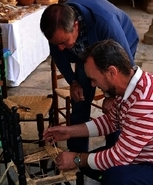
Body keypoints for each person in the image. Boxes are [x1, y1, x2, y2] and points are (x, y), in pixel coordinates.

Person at [43, 39, 153, 185]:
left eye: (94, 78)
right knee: (91, 165)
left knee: (114, 181)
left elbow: (119, 157)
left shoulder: (143, 102)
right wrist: (70, 131)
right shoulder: (130, 87)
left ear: (111, 72)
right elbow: (110, 122)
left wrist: (77, 159)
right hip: (139, 155)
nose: (93, 84)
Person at [40, 0, 139, 153]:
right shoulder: (57, 26)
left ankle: (113, 149)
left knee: (115, 106)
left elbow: (125, 70)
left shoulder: (106, 22)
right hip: (86, 51)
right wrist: (73, 82)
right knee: (80, 99)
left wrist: (111, 96)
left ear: (76, 26)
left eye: (64, 42)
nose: (60, 47)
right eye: (56, 43)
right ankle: (76, 152)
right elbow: (58, 56)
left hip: (120, 44)